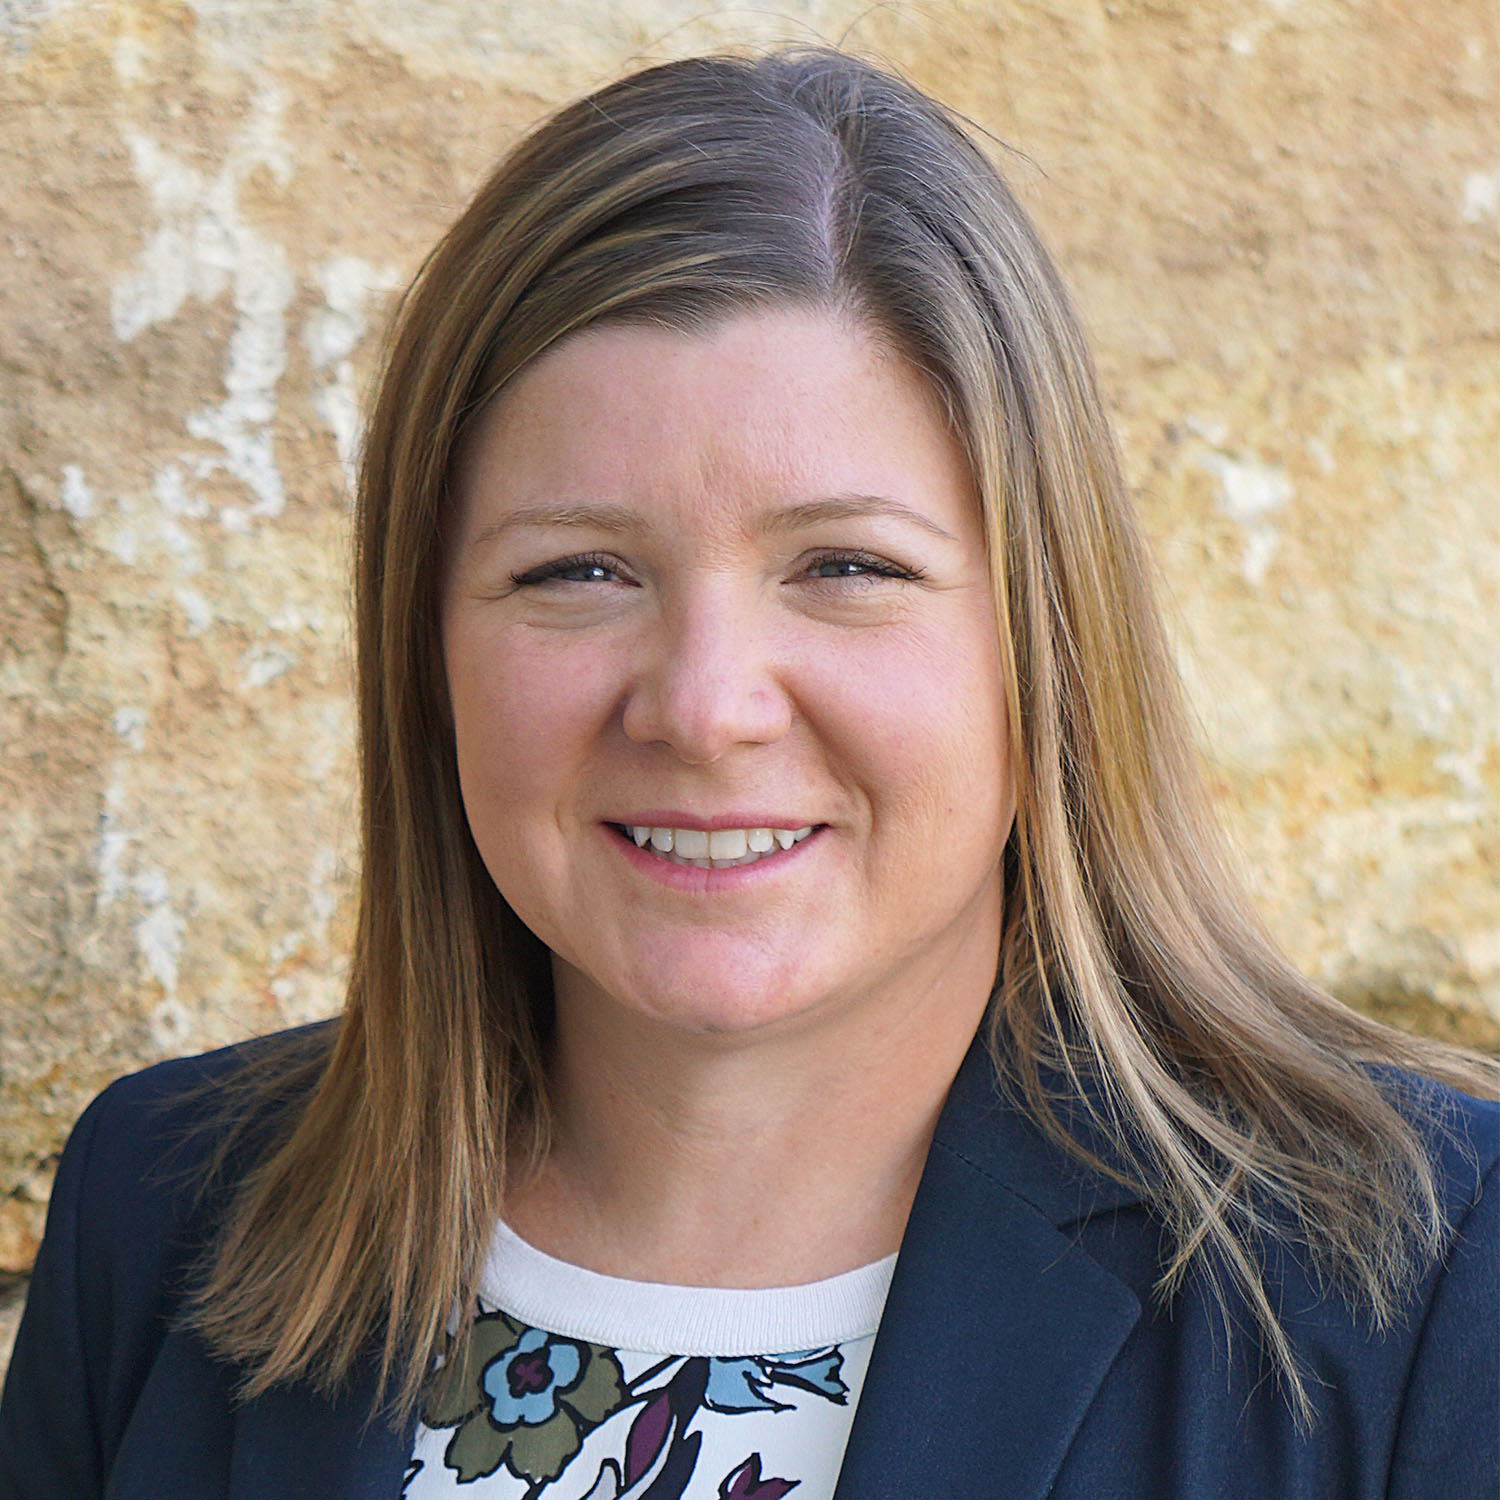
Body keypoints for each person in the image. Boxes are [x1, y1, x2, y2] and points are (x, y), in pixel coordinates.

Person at [1, 46, 1495, 1500]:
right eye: (578, 569)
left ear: (1047, 642)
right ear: (425, 648)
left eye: (845, 564)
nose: (705, 707)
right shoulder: (165, 1208)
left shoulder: (1417, 1275)